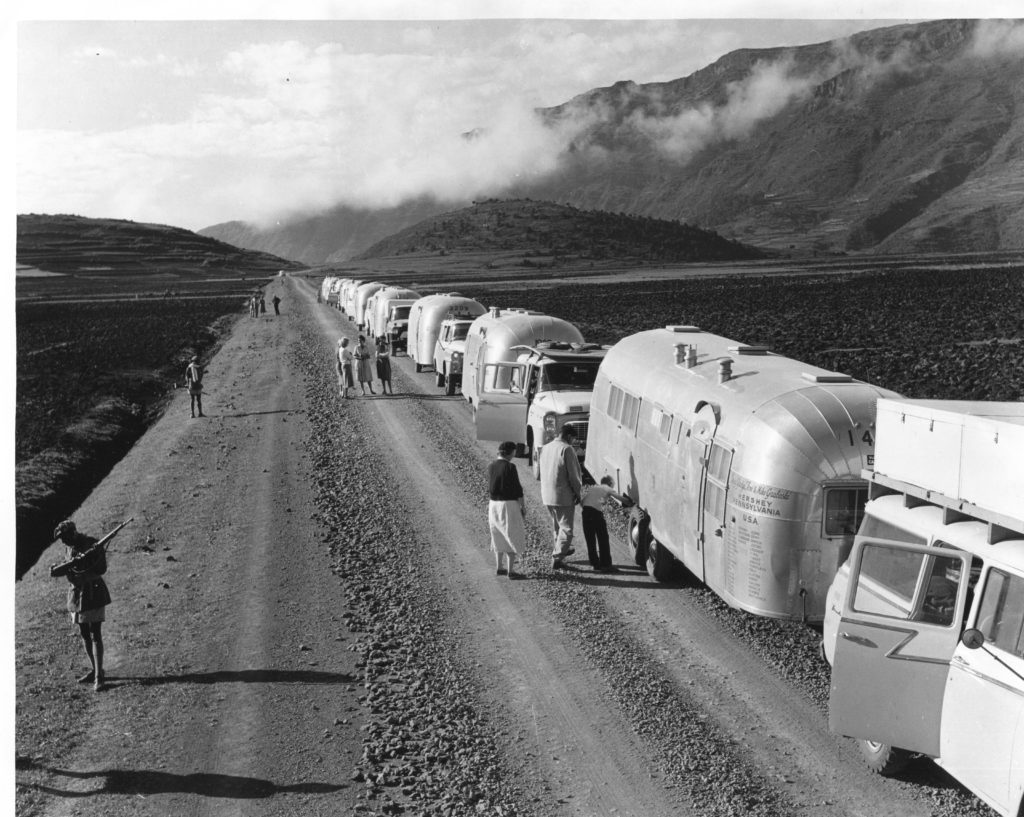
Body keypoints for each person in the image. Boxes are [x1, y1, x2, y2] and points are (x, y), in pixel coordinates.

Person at [50, 520, 111, 691]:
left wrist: (88, 558)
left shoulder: (92, 544)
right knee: (84, 633)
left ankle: (99, 676)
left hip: (92, 591)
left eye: (65, 537)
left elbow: (101, 569)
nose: (63, 541)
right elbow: (68, 567)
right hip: (76, 594)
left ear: (73, 532)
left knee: (95, 633)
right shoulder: (69, 548)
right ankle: (95, 669)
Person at [539, 425, 583, 569]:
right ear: (569, 436)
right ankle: (557, 557)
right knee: (567, 529)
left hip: (547, 494)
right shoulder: (566, 449)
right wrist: (578, 494)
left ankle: (561, 549)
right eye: (573, 439)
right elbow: (574, 476)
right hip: (563, 496)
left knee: (556, 526)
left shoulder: (546, 447)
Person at [580, 469, 633, 572]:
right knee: (603, 538)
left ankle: (595, 564)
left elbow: (582, 502)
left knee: (590, 539)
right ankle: (606, 564)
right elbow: (621, 499)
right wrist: (632, 504)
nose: (613, 486)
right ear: (609, 483)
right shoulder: (607, 488)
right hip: (596, 513)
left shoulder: (593, 487)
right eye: (613, 484)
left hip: (585, 513)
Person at [488, 441, 526, 579]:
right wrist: (522, 506)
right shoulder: (510, 467)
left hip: (493, 505)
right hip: (508, 505)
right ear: (510, 452)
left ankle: (499, 567)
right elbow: (517, 489)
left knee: (497, 534)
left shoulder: (491, 466)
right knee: (512, 534)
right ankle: (511, 571)